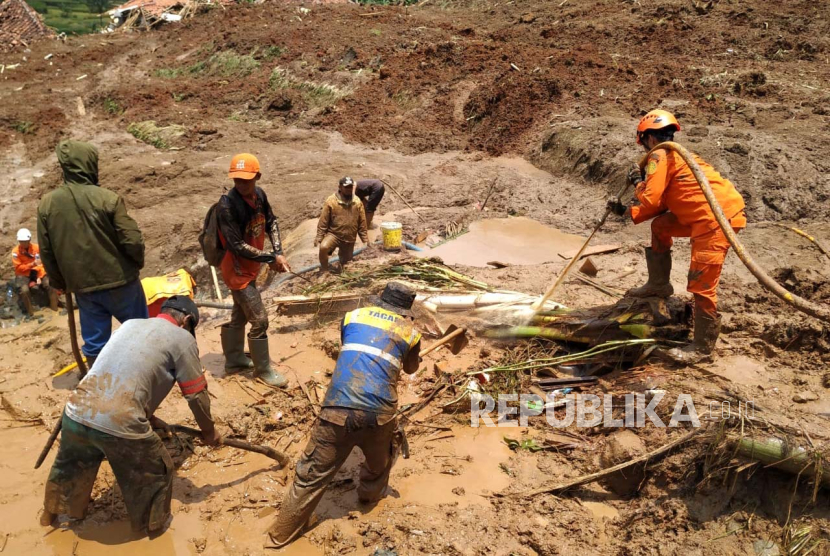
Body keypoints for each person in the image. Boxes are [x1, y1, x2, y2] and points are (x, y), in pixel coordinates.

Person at [40, 296, 220, 534]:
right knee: (156, 472)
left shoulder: (129, 325)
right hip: (118, 421)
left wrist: (149, 417)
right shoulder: (183, 339)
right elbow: (196, 395)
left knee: (69, 467)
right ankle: (153, 530)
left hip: (75, 410)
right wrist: (209, 432)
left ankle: (50, 515)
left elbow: (120, 375)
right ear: (186, 320)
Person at [266, 282, 422, 548]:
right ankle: (368, 498)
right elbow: (409, 370)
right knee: (380, 461)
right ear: (406, 311)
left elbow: (350, 346)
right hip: (379, 414)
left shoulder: (352, 316)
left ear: (381, 300)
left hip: (337, 408)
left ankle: (279, 536)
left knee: (310, 475)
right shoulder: (411, 333)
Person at [607, 109, 746, 363]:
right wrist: (627, 211)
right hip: (707, 213)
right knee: (661, 226)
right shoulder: (674, 156)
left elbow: (649, 198)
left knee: (701, 285)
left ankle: (702, 348)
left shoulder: (659, 155)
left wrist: (639, 182)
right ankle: (659, 284)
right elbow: (659, 204)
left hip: (714, 220)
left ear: (648, 138)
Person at [37, 139, 147, 370]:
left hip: (84, 287)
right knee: (139, 333)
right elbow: (132, 239)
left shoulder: (47, 204)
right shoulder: (108, 198)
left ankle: (99, 386)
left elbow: (46, 251)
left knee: (95, 343)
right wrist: (136, 263)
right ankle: (145, 376)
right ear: (90, 165)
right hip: (122, 281)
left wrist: (60, 282)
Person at [217, 153, 290, 387]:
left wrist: (278, 251)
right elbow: (236, 245)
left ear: (257, 177)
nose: (241, 184)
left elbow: (272, 222)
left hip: (251, 267)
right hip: (236, 271)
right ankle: (263, 370)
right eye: (237, 180)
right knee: (260, 319)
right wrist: (270, 257)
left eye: (246, 180)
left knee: (239, 314)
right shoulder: (227, 206)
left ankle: (235, 360)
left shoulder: (259, 196)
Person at [314, 176, 369, 274]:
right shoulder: (331, 201)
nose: (348, 189)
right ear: (340, 187)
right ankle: (325, 270)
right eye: (346, 187)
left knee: (346, 264)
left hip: (349, 238)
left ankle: (341, 270)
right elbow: (323, 220)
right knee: (324, 247)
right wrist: (319, 236)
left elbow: (362, 222)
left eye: (350, 187)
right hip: (334, 234)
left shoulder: (357, 202)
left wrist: (365, 240)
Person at [11, 228, 58, 315]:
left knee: (50, 284)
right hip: (23, 274)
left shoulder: (36, 248)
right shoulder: (15, 252)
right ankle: (31, 313)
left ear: (29, 240)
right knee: (24, 290)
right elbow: (18, 267)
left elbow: (42, 263)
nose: (24, 243)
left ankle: (54, 308)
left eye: (25, 241)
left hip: (37, 271)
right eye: (21, 241)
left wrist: (39, 277)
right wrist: (31, 264)